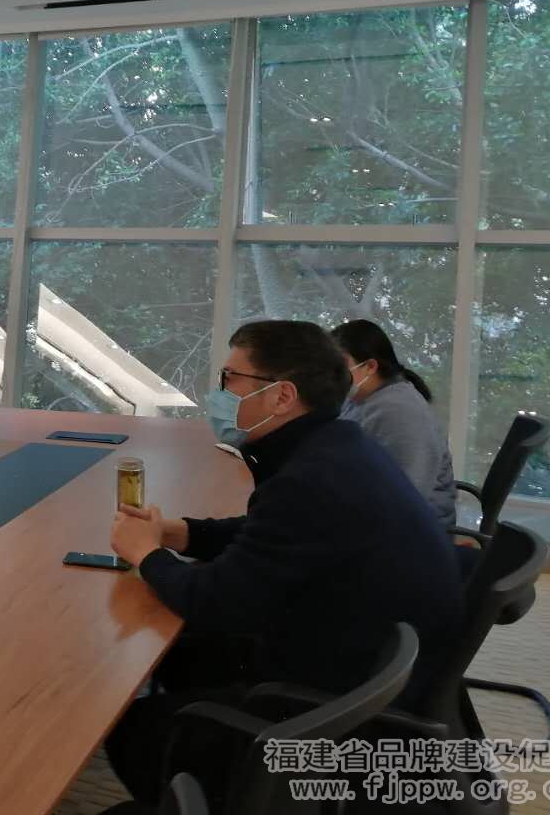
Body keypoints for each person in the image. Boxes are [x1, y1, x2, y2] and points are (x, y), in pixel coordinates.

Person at [105, 320, 462, 807]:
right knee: (180, 654)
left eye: (231, 378)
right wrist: (181, 532)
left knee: (135, 731)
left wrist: (146, 554)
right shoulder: (338, 446)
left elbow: (214, 602)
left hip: (335, 695)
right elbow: (270, 534)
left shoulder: (309, 479)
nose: (220, 393)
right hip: (361, 653)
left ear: (281, 396)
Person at [332, 319, 457, 525]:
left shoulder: (400, 412)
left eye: (340, 366)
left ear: (370, 366)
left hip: (411, 530)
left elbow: (405, 498)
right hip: (377, 511)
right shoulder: (358, 398)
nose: (332, 375)